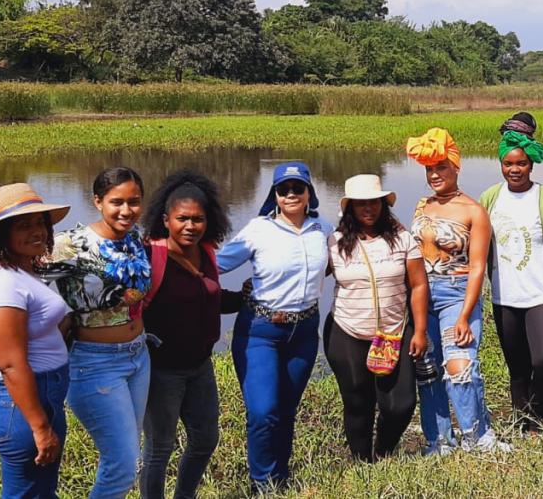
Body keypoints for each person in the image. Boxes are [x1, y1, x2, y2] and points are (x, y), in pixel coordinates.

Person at [0, 168, 153, 499]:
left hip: (136, 357)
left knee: (113, 460)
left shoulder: (135, 239)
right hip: (93, 363)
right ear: (98, 202)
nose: (126, 210)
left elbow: (28, 275)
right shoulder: (68, 244)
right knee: (124, 462)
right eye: (117, 201)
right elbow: (2, 288)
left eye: (134, 202)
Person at [218, 162, 332, 490]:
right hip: (261, 331)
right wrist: (166, 258)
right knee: (263, 410)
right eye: (284, 189)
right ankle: (262, 483)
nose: (292, 194)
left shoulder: (323, 228)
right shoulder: (258, 230)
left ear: (310, 192)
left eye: (298, 188)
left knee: (286, 409)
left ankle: (280, 477)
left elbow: (333, 263)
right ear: (275, 195)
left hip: (305, 331)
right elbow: (216, 265)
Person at [139, 170, 246, 499]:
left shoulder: (208, 252)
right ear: (166, 219)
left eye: (197, 219)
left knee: (205, 440)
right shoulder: (147, 257)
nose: (190, 226)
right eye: (182, 218)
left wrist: (244, 298)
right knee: (159, 450)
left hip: (200, 367)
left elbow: (209, 299)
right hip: (161, 371)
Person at [406, 127, 510, 455]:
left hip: (456, 293)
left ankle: (477, 437)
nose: (435, 175)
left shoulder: (473, 211)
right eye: (429, 169)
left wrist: (465, 314)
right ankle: (439, 440)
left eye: (441, 167)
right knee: (428, 368)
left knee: (460, 366)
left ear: (455, 167)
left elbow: (479, 266)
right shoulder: (423, 205)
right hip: (422, 295)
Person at [0, 183, 72, 499]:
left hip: (38, 398)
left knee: (40, 492)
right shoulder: (2, 284)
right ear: (0, 236)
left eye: (40, 222)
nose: (37, 231)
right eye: (23, 226)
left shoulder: (20, 270)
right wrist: (40, 427)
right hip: (22, 406)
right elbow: (10, 364)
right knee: (26, 494)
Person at [324, 174, 430, 462]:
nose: (368, 209)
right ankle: (362, 463)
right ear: (350, 208)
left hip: (395, 332)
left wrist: (420, 330)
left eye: (374, 203)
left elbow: (419, 284)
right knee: (358, 402)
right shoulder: (333, 242)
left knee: (401, 404)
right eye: (360, 204)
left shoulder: (403, 239)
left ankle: (383, 452)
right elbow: (305, 272)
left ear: (384, 204)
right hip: (346, 331)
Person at [480, 113, 543, 433]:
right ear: (501, 165)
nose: (515, 169)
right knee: (517, 369)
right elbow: (482, 252)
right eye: (508, 164)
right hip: (506, 298)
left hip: (542, 295)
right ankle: (525, 425)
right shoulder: (489, 199)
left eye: (521, 163)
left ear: (531, 165)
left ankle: (536, 421)